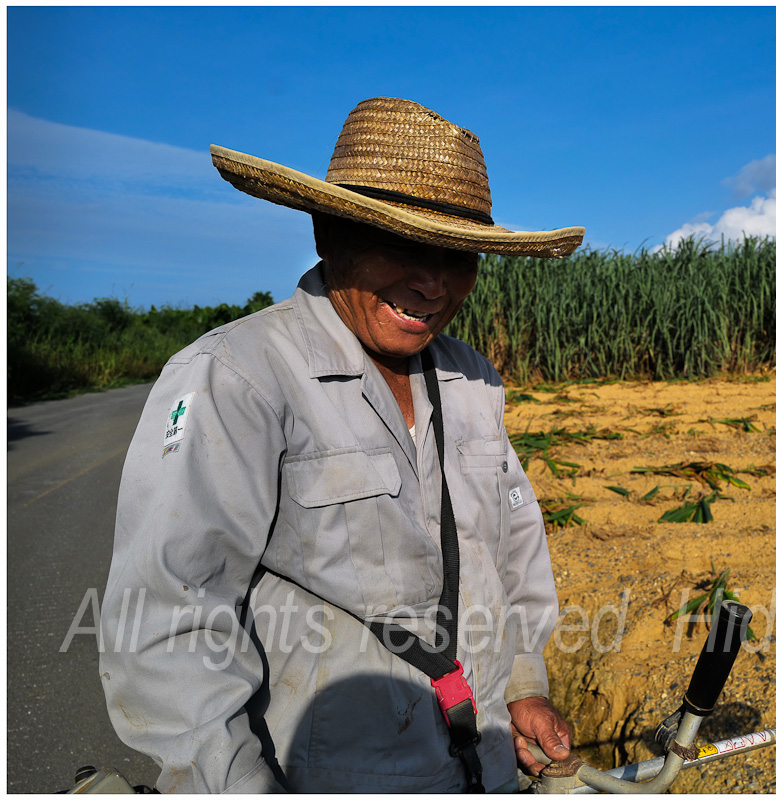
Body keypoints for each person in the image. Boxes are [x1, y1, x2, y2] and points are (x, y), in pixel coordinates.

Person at [99, 97, 585, 793]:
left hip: (486, 766)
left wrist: (525, 686)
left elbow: (512, 553)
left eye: (458, 255)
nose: (434, 282)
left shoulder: (472, 378)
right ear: (330, 232)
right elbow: (168, 618)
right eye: (405, 245)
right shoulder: (240, 376)